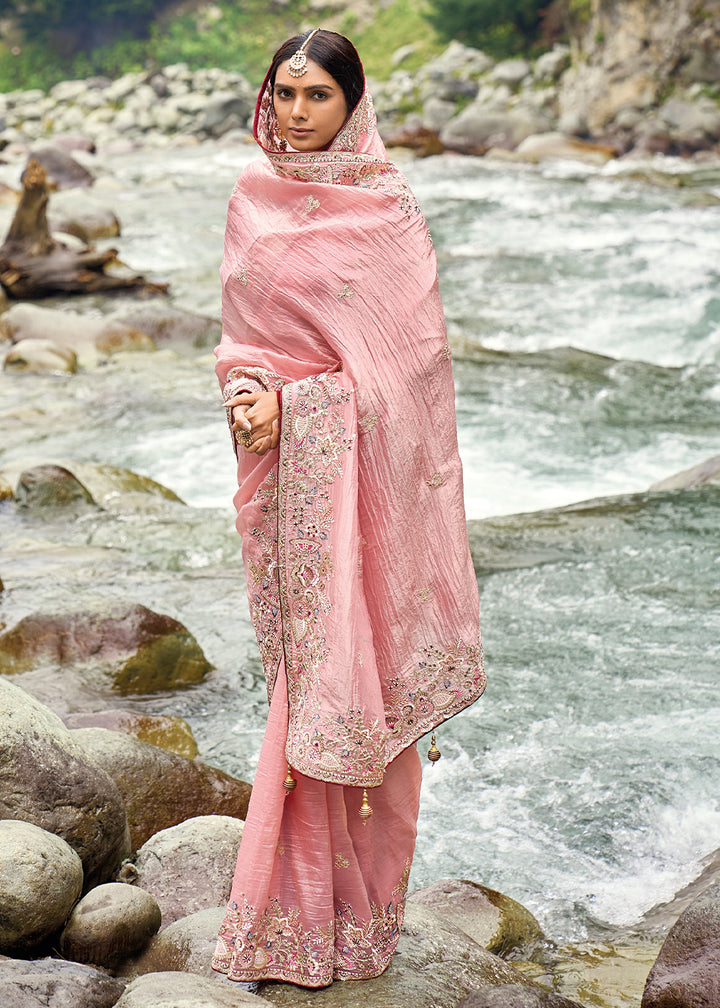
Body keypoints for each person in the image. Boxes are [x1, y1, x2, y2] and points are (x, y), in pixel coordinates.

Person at [212, 28, 485, 989]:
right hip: (288, 483)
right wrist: (248, 390)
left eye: (317, 97)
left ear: (353, 104)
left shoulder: (386, 209)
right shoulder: (253, 198)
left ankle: (342, 923)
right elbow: (243, 336)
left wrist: (296, 404)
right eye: (283, 93)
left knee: (345, 687)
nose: (294, 115)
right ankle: (294, 919)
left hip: (352, 489)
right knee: (304, 682)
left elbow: (407, 375)